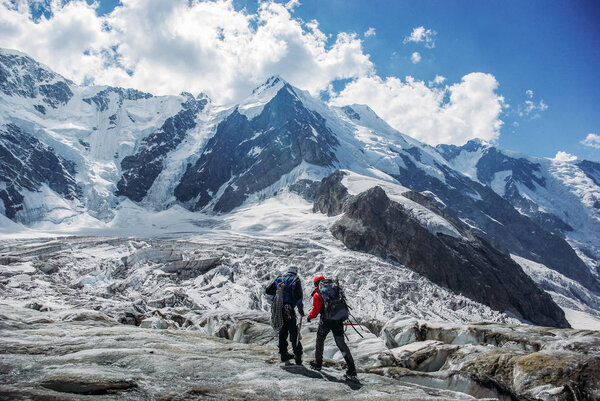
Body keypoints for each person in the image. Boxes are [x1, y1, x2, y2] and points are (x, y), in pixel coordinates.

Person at [307, 274, 357, 380]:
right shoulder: (335, 289)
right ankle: (352, 369)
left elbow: (315, 310)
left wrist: (309, 317)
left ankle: (318, 363)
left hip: (326, 321)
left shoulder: (318, 293)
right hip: (338, 320)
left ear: (316, 284)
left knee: (320, 340)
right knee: (341, 343)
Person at [265, 266, 304, 364]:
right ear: (295, 272)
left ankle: (283, 354)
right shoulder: (295, 279)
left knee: (282, 331)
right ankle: (297, 355)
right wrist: (300, 309)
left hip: (279, 309)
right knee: (293, 332)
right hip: (289, 309)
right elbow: (298, 297)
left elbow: (268, 290)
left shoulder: (279, 278)